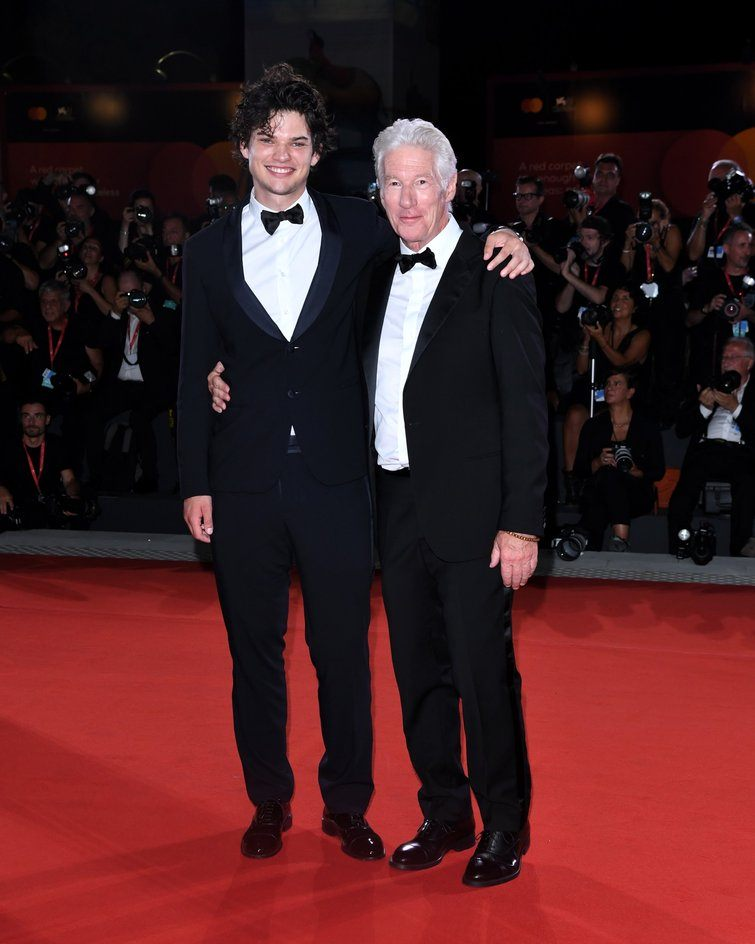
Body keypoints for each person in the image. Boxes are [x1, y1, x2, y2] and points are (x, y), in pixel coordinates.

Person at [178, 64, 531, 864]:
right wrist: (195, 478)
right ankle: (268, 799)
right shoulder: (204, 251)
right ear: (243, 147)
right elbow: (194, 366)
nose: (282, 154)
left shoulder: (358, 228)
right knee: (254, 654)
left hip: (339, 484)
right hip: (241, 482)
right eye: (267, 139)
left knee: (345, 654)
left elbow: (437, 225)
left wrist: (511, 238)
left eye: (298, 141)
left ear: (316, 153)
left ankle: (347, 804)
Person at [668, 337, 755, 557]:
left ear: (749, 363)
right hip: (706, 449)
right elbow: (681, 429)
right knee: (685, 487)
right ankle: (680, 545)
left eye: (733, 357)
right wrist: (704, 408)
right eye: (724, 357)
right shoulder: (709, 385)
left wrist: (735, 408)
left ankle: (739, 550)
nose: (726, 362)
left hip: (741, 452)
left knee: (747, 483)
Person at [572, 369, 664, 551]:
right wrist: (598, 462)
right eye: (607, 384)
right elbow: (579, 469)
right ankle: (620, 541)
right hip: (599, 489)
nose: (609, 388)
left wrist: (636, 471)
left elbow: (658, 470)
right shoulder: (593, 426)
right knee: (608, 476)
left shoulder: (647, 426)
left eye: (616, 383)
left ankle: (583, 536)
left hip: (636, 493)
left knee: (609, 483)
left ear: (630, 392)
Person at [0, 395, 87, 532]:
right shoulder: (8, 446)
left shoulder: (57, 445)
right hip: (14, 507)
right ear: (21, 419)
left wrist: (73, 497)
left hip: (47, 508)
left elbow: (69, 480)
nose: (31, 421)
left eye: (38, 416)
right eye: (26, 416)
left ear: (47, 419)